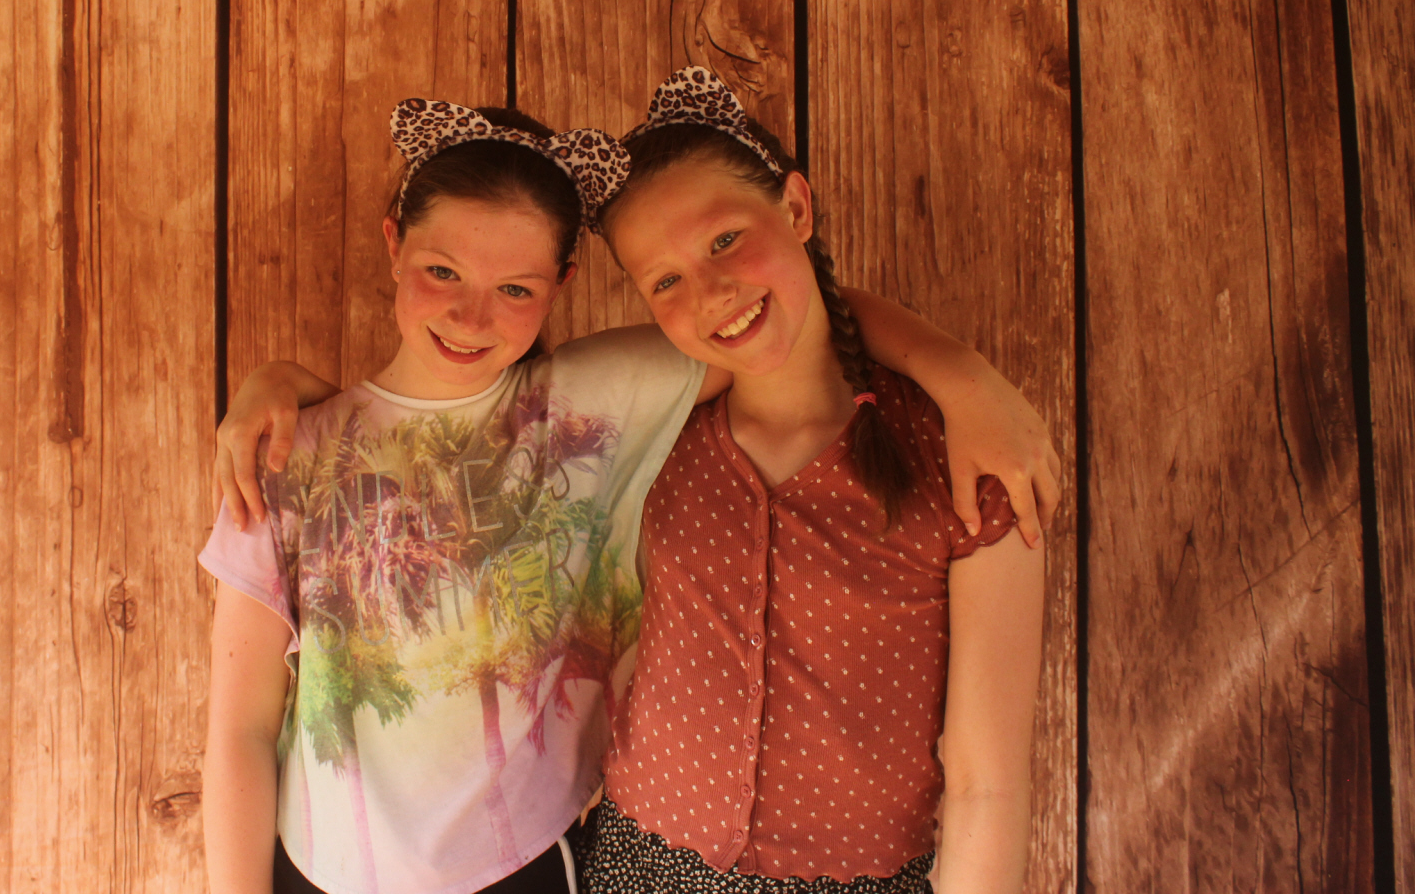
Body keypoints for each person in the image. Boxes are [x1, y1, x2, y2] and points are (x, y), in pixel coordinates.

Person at [204, 96, 1059, 894]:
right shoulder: (288, 454)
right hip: (381, 868)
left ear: (561, 282)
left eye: (515, 289)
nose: (471, 315)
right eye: (442, 270)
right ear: (394, 243)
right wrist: (277, 383)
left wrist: (965, 378)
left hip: (535, 868)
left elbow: (792, 320)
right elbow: (240, 730)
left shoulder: (593, 411)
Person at [578, 68, 1046, 893]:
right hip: (634, 862)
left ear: (795, 208)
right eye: (665, 281)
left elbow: (988, 785)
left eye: (725, 240)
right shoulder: (653, 440)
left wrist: (963, 378)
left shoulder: (965, 459)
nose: (712, 292)